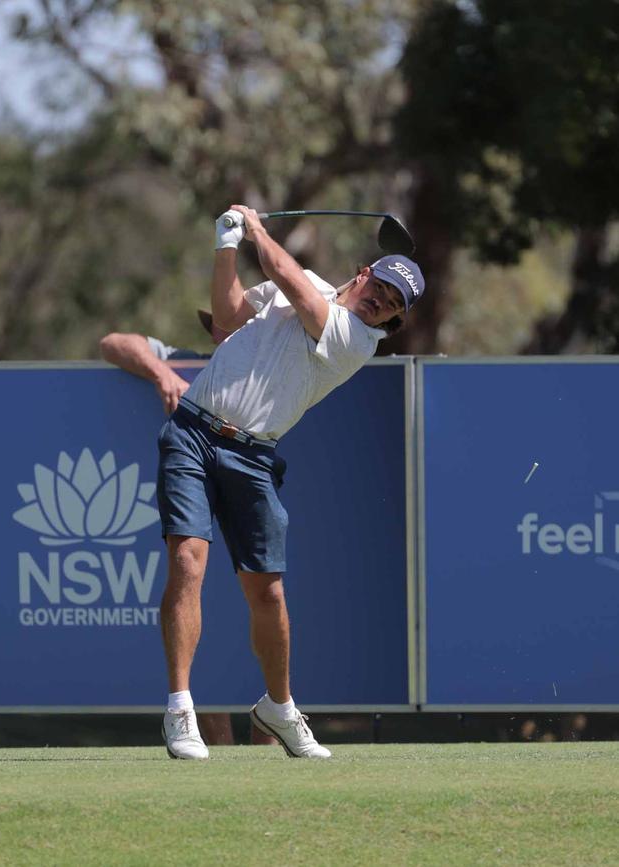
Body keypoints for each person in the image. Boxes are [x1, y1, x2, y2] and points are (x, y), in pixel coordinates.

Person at [158, 204, 425, 760]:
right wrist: (226, 246)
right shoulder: (311, 287)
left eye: (393, 306)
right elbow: (229, 318)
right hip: (192, 432)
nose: (381, 303)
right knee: (188, 560)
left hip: (253, 457)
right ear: (363, 275)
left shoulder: (356, 339)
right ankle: (181, 709)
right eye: (381, 288)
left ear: (389, 322)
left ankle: (278, 707)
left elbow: (293, 285)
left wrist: (256, 229)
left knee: (268, 591)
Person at [100, 320, 276, 747]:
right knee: (193, 607)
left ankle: (272, 748)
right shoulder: (184, 359)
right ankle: (204, 742)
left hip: (253, 496)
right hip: (185, 496)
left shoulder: (277, 364)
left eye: (238, 319)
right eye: (218, 321)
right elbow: (114, 342)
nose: (226, 328)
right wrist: (163, 373)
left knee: (267, 613)